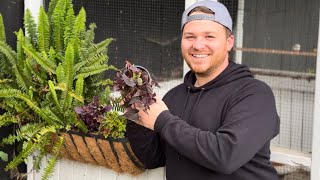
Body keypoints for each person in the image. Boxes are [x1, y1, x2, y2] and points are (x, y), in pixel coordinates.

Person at [126, 1, 280, 179]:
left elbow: (226, 156)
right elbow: (153, 159)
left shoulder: (254, 95)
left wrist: (163, 121)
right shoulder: (174, 96)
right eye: (190, 36)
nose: (198, 45)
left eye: (209, 36)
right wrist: (135, 116)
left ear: (229, 42)